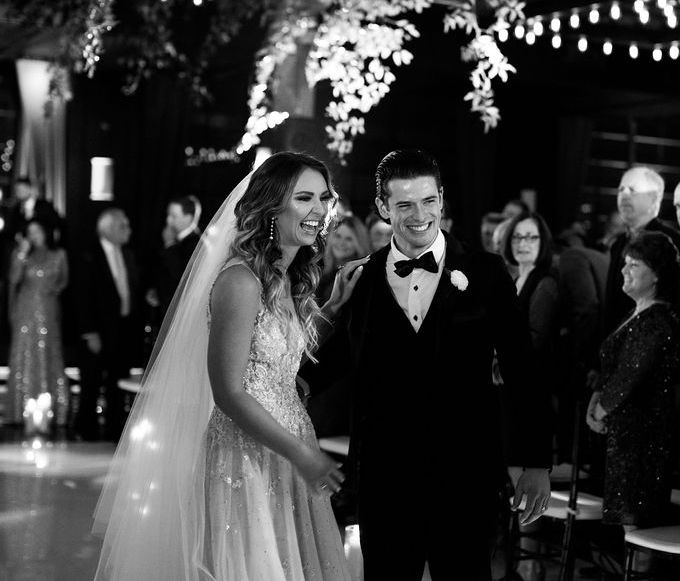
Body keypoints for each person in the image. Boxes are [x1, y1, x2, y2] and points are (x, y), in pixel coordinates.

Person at [92, 152, 355, 581]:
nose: (319, 211)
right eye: (304, 198)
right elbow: (230, 393)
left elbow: (279, 356)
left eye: (324, 198)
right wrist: (302, 455)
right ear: (272, 206)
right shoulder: (240, 280)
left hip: (290, 445)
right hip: (248, 455)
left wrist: (333, 307)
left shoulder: (285, 276)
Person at [302, 149, 552, 581]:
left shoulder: (487, 272)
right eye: (404, 205)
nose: (420, 216)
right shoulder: (359, 278)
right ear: (383, 207)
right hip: (385, 476)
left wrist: (536, 463)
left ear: (441, 198)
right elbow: (333, 365)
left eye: (428, 201)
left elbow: (522, 369)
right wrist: (281, 387)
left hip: (466, 474)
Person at [586, 231, 680, 571]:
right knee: (631, 528)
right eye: (624, 263)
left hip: (643, 439)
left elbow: (631, 373)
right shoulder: (637, 312)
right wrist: (597, 399)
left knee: (638, 526)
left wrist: (601, 407)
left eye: (634, 265)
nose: (624, 271)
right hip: (626, 437)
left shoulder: (657, 319)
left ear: (657, 273)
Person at [75, 208, 141, 441]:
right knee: (91, 381)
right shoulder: (88, 255)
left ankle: (115, 429)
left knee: (117, 380)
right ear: (109, 228)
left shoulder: (128, 254)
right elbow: (82, 296)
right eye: (124, 225)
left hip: (121, 328)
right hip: (98, 329)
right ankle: (86, 429)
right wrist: (89, 332)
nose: (128, 230)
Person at [5, 219, 69, 428]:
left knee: (49, 351)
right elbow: (13, 280)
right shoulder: (21, 255)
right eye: (30, 232)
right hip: (26, 309)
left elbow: (64, 281)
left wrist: (52, 292)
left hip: (49, 308)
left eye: (37, 231)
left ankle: (54, 409)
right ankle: (20, 408)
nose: (33, 236)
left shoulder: (59, 254)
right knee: (25, 352)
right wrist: (21, 255)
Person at [604, 166, 680, 334]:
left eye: (633, 189)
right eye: (621, 190)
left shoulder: (671, 241)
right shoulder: (618, 243)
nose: (624, 195)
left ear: (654, 198)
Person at [147, 195, 202, 319]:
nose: (168, 220)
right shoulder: (174, 239)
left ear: (188, 218)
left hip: (180, 314)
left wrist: (169, 245)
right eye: (168, 215)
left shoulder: (197, 244)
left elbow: (181, 275)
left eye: (174, 216)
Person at [316, 214, 369, 304]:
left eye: (349, 239)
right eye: (338, 236)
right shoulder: (320, 268)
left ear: (358, 243)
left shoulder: (358, 275)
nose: (341, 243)